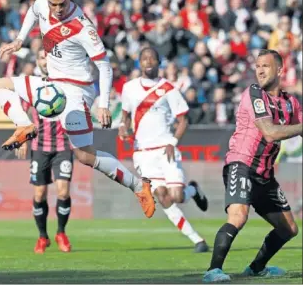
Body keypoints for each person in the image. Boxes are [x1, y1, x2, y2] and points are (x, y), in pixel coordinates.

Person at [0, 0, 155, 218]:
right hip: (53, 85)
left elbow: (105, 67)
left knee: (84, 155)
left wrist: (104, 104)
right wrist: (19, 40)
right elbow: (33, 12)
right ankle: (24, 124)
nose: (57, 9)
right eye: (53, 4)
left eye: (62, 4)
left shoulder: (83, 27)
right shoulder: (42, 4)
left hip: (77, 91)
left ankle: (139, 186)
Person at [203, 49, 302, 283]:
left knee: (289, 229)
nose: (259, 70)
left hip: (265, 175)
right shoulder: (254, 93)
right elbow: (269, 133)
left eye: (265, 66)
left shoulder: (291, 103)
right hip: (242, 163)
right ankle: (213, 270)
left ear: (279, 70)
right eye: (257, 66)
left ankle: (256, 268)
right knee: (238, 216)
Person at [119, 47, 209, 253]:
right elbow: (125, 115)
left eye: (152, 58)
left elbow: (183, 120)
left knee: (176, 195)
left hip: (165, 149)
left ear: (159, 62)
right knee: (162, 196)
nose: (148, 61)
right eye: (144, 58)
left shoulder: (169, 89)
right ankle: (197, 240)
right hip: (142, 152)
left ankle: (193, 190)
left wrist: (174, 142)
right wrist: (123, 128)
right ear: (139, 63)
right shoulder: (129, 88)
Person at [16, 49, 73, 254]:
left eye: (48, 57)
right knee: (39, 193)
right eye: (41, 57)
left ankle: (61, 232)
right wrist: (22, 139)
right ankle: (42, 237)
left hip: (63, 145)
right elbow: (21, 113)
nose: (45, 61)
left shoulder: (66, 83)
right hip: (39, 146)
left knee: (63, 190)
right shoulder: (31, 86)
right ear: (38, 61)